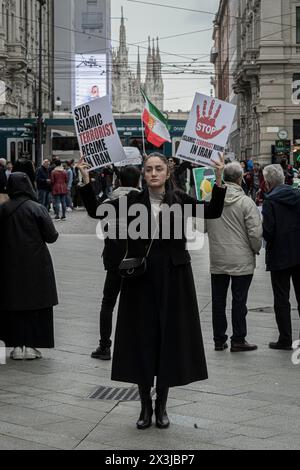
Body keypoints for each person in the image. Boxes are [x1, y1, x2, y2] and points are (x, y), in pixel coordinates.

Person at [78, 152, 226, 430]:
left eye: (159, 169)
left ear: (168, 173)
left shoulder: (179, 199)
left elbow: (213, 211)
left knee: (168, 339)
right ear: (143, 174)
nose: (154, 173)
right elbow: (96, 211)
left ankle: (162, 406)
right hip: (141, 277)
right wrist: (85, 181)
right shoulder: (132, 201)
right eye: (149, 169)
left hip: (174, 276)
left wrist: (219, 179)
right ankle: (145, 405)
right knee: (142, 339)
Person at [0, 173, 58, 360]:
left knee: (12, 304)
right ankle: (32, 346)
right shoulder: (37, 208)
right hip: (36, 264)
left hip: (8, 264)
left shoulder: (3, 209)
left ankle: (15, 346)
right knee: (36, 305)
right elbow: (51, 236)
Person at [205, 162, 263, 352]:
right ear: (240, 179)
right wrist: (255, 249)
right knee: (239, 301)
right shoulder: (246, 202)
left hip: (219, 258)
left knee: (218, 301)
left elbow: (201, 226)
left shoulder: (211, 197)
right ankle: (238, 339)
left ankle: (219, 339)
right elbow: (255, 232)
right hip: (242, 259)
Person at [91, 166, 141, 360]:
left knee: (108, 303)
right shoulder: (144, 200)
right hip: (137, 259)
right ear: (138, 181)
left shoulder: (109, 201)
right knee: (138, 304)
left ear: (118, 181)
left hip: (114, 259)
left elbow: (102, 223)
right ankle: (135, 346)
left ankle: (104, 346)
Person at [262, 164, 300, 351]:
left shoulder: (270, 201)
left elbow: (268, 231)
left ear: (268, 183)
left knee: (281, 298)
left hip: (280, 256)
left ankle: (285, 339)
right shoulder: (298, 195)